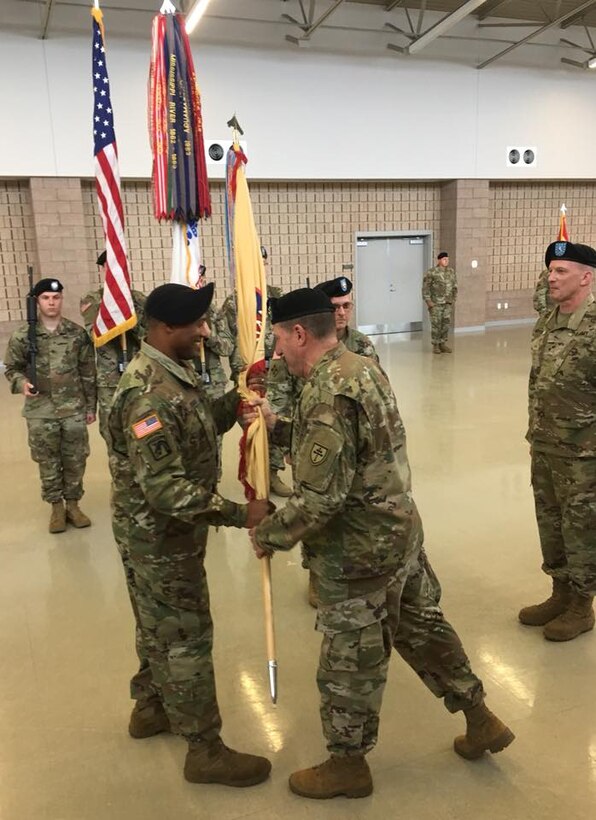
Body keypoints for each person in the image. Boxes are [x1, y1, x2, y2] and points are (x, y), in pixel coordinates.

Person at [248, 287, 514, 800]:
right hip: (398, 532)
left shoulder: (327, 392)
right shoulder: (358, 366)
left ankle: (347, 765)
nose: (277, 351)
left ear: (299, 333)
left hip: (359, 554)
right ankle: (480, 716)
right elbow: (351, 448)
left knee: (350, 661)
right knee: (424, 631)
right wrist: (276, 426)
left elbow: (322, 501)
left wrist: (269, 535)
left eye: (280, 339)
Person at [107, 282, 272, 788]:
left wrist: (234, 405)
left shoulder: (171, 375)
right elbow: (165, 491)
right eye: (197, 324)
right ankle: (204, 750)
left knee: (157, 623)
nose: (205, 331)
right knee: (185, 636)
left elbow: (193, 423)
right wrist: (240, 513)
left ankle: (151, 707)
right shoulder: (146, 394)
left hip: (162, 537)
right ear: (165, 328)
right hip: (161, 538)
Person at [519, 240, 596, 641]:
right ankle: (560, 592)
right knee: (550, 524)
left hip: (585, 455)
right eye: (551, 269)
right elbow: (539, 384)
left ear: (586, 277)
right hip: (546, 446)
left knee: (581, 529)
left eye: (561, 271)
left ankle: (583, 606)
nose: (551, 276)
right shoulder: (547, 321)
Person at [4, 278, 96, 533]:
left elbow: (88, 372)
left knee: (76, 458)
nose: (52, 302)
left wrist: (91, 407)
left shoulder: (77, 334)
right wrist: (21, 383)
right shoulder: (24, 336)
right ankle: (56, 507)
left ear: (61, 300)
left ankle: (74, 505)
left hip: (73, 408)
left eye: (56, 298)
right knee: (47, 459)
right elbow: (11, 368)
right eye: (46, 298)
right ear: (38, 302)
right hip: (40, 411)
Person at [219, 245, 291, 497]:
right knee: (251, 424)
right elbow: (225, 340)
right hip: (247, 375)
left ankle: (272, 473)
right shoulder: (233, 303)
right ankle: (255, 473)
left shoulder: (277, 297)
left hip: (277, 373)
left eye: (262, 262)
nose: (258, 267)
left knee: (275, 420)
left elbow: (288, 331)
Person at [80, 251, 146, 442]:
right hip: (109, 383)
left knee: (142, 429)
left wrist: (130, 312)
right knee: (114, 436)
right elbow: (94, 334)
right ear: (103, 270)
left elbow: (148, 335)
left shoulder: (138, 300)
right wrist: (117, 311)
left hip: (138, 378)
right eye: (109, 268)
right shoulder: (92, 300)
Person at [314, 276, 379, 362]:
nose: (342, 313)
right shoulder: (309, 342)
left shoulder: (361, 343)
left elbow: (373, 373)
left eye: (346, 306)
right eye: (335, 307)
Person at [422, 252, 458, 354]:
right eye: (444, 259)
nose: (446, 261)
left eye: (447, 259)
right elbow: (425, 288)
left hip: (447, 303)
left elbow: (455, 286)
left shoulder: (451, 272)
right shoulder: (432, 272)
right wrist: (428, 301)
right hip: (436, 303)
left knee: (445, 324)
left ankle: (443, 343)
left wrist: (453, 299)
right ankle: (436, 345)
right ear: (439, 260)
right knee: (436, 324)